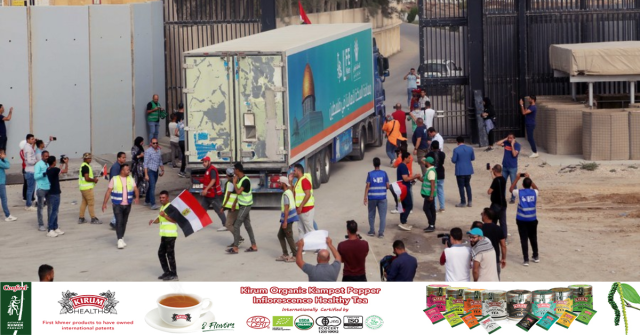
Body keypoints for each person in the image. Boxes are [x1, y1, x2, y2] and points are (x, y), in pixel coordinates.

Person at [103, 164, 140, 249]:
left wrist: (137, 197)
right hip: (117, 204)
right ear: (122, 171)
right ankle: (119, 240)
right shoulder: (114, 179)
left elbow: (135, 189)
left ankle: (121, 237)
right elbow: (108, 191)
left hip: (128, 204)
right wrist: (104, 203)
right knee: (119, 222)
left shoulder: (130, 178)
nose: (129, 171)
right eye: (127, 170)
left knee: (124, 222)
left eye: (129, 170)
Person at [227, 162, 257, 254]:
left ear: (238, 170)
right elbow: (238, 195)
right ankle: (254, 245)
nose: (233, 171)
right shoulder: (240, 179)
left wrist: (235, 183)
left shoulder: (245, 180)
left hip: (245, 205)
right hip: (242, 205)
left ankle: (235, 247)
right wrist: (234, 203)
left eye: (234, 169)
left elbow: (239, 192)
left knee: (236, 225)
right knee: (248, 226)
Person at [510, 173, 540, 266]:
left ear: (522, 185)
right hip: (532, 219)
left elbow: (511, 189)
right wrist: (529, 178)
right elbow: (536, 188)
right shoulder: (534, 192)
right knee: (533, 238)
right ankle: (535, 256)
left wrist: (516, 179)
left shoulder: (519, 192)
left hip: (521, 219)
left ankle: (526, 259)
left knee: (524, 239)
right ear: (530, 184)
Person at [149, 190, 178, 281]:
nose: (161, 199)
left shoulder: (171, 207)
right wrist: (153, 221)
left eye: (163, 198)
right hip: (164, 235)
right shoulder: (162, 208)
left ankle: (174, 274)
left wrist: (165, 216)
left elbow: (174, 220)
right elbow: (160, 220)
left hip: (171, 235)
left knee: (170, 255)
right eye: (160, 198)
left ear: (167, 198)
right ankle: (167, 272)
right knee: (161, 253)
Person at [199, 156, 227, 231]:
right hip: (207, 195)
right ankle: (198, 225)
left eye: (205, 162)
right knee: (202, 210)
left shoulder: (212, 170)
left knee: (218, 209)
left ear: (209, 162)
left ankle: (226, 224)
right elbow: (207, 180)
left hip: (213, 194)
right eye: (203, 162)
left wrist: (206, 189)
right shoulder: (208, 170)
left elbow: (213, 180)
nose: (204, 163)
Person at [364, 157, 389, 238]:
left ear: (373, 164)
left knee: (371, 214)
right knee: (382, 216)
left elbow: (367, 186)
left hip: (372, 197)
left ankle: (372, 231)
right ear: (380, 164)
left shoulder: (370, 174)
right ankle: (381, 233)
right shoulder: (384, 173)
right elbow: (387, 186)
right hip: (382, 197)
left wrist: (365, 197)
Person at [479, 208, 507, 278]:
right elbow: (503, 245)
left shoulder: (480, 229)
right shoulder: (498, 229)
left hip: (483, 259)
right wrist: (503, 258)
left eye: (482, 214)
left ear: (486, 216)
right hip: (495, 258)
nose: (481, 215)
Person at [276, 177, 298, 262]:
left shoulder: (286, 194)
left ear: (284, 184)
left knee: (289, 237)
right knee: (280, 235)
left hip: (288, 219)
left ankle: (295, 255)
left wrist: (285, 221)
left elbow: (286, 208)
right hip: (288, 218)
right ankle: (285, 254)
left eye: (280, 183)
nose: (279, 184)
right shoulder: (289, 192)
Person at [291, 164, 315, 240]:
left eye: (294, 170)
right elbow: (293, 193)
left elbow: (308, 194)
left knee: (309, 230)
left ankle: (318, 247)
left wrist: (300, 206)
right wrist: (290, 181)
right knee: (301, 229)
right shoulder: (298, 181)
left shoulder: (304, 181)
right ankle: (303, 247)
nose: (293, 172)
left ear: (299, 171)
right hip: (300, 210)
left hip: (306, 209)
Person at [45, 156, 68, 238]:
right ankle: (50, 229)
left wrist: (62, 165)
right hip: (55, 192)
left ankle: (55, 227)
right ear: (54, 162)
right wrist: (66, 163)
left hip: (50, 192)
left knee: (54, 210)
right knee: (54, 211)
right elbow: (65, 171)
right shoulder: (55, 170)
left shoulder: (48, 170)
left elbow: (59, 170)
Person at [220, 168, 243, 246]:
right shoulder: (236, 181)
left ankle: (239, 238)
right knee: (233, 225)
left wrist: (223, 206)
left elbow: (228, 195)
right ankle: (237, 241)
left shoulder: (230, 183)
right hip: (235, 206)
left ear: (226, 175)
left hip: (233, 207)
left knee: (228, 224)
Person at [397, 151, 419, 231]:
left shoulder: (403, 166)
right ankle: (403, 221)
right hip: (404, 188)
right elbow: (405, 178)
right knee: (409, 205)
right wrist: (414, 177)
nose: (410, 159)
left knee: (403, 206)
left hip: (402, 187)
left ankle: (403, 222)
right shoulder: (403, 166)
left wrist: (411, 180)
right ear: (405, 158)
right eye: (409, 158)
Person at [496, 134, 520, 203]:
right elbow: (498, 143)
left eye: (511, 138)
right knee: (503, 182)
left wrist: (512, 145)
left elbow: (514, 154)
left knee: (513, 183)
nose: (510, 139)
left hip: (513, 167)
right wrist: (505, 139)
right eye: (509, 138)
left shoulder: (517, 145)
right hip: (505, 166)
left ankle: (513, 198)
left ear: (514, 139)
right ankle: (502, 197)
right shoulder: (506, 143)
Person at [452, 136, 475, 207]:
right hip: (468, 170)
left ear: (457, 142)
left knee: (461, 187)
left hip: (460, 170)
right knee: (467, 185)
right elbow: (472, 158)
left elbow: (454, 160)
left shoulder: (456, 150)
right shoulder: (470, 148)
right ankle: (470, 201)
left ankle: (463, 202)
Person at [78, 153, 101, 224]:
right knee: (91, 203)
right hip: (87, 188)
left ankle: (81, 218)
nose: (90, 159)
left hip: (83, 188)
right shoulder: (86, 167)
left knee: (84, 203)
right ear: (85, 159)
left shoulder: (83, 165)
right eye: (88, 158)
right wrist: (94, 180)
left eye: (90, 158)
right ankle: (93, 218)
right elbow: (87, 178)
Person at [488, 164, 508, 239]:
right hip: (503, 204)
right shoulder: (503, 179)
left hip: (496, 204)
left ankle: (492, 237)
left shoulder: (496, 181)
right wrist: (491, 172)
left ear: (495, 171)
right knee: (503, 222)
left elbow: (489, 191)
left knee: (493, 221)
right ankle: (504, 237)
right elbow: (496, 179)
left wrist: (489, 190)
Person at [417, 156, 437, 233]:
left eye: (425, 162)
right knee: (432, 209)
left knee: (426, 208)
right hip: (429, 194)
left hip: (429, 194)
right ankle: (432, 225)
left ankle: (431, 224)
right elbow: (425, 180)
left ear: (428, 163)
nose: (424, 163)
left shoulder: (431, 172)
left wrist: (431, 195)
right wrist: (419, 178)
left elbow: (432, 184)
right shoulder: (430, 170)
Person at [144, 138, 164, 210]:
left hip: (156, 170)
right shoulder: (148, 151)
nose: (155, 144)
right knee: (152, 187)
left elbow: (160, 161)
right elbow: (145, 164)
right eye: (153, 143)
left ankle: (147, 200)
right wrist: (146, 174)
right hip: (150, 171)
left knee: (151, 186)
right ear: (151, 144)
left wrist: (162, 169)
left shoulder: (158, 150)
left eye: (156, 143)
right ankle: (153, 204)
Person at [427, 141, 446, 213]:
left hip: (433, 173)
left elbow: (423, 159)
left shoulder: (430, 154)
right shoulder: (442, 154)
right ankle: (442, 207)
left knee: (433, 190)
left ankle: (433, 207)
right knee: (440, 190)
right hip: (441, 173)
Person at [108, 152, 127, 227]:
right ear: (118, 158)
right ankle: (114, 221)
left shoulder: (120, 166)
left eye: (125, 157)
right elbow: (114, 179)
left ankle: (115, 221)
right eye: (123, 157)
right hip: (116, 190)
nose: (124, 159)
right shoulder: (116, 167)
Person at [34, 150, 50, 232]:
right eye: (45, 156)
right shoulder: (38, 164)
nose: (47, 158)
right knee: (40, 207)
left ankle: (50, 223)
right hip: (41, 188)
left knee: (50, 207)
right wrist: (44, 173)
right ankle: (41, 224)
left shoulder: (48, 164)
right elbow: (36, 176)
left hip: (49, 188)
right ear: (42, 156)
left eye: (48, 156)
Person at [0, 150, 17, 222]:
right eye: (3, 153)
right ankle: (7, 215)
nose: (4, 155)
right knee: (4, 199)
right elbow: (7, 166)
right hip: (0, 183)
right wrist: (5, 159)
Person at [24, 134, 37, 211]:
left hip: (29, 170)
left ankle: (28, 204)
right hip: (30, 171)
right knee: (30, 189)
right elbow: (29, 161)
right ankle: (28, 205)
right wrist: (35, 161)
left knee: (30, 188)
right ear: (28, 139)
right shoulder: (28, 149)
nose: (33, 140)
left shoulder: (27, 147)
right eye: (32, 139)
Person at [177, 113, 187, 178]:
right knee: (185, 157)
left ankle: (183, 170)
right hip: (185, 142)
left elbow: (175, 133)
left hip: (180, 141)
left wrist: (180, 136)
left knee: (183, 155)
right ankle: (182, 171)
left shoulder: (178, 124)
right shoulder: (187, 124)